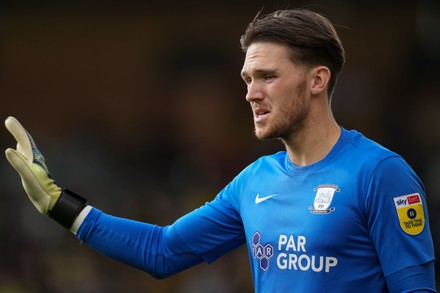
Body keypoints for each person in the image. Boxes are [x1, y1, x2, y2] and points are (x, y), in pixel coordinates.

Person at [4, 8, 436, 292]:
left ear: (317, 80)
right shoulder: (254, 182)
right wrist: (62, 206)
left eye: (267, 76)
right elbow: (163, 250)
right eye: (248, 80)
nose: (251, 93)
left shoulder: (380, 174)